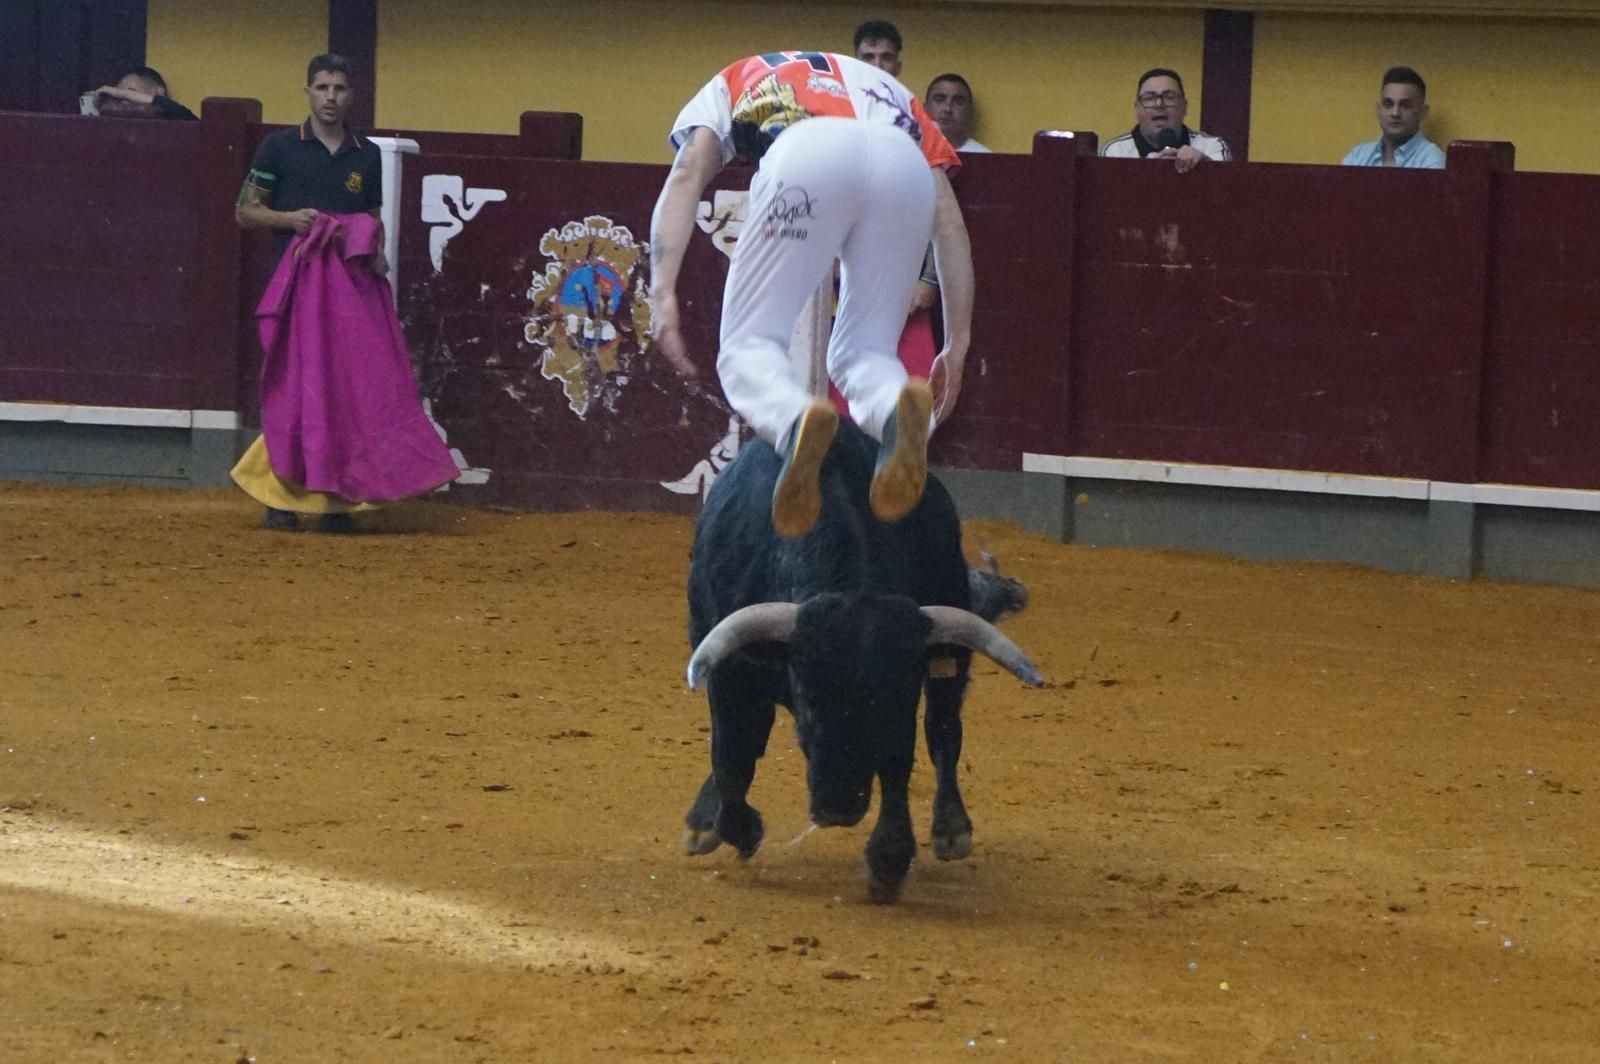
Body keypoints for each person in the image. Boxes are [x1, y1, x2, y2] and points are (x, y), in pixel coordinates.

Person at [650, 51, 975, 540]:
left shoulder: (737, 77)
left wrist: (661, 289)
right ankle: (892, 404)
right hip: (902, 164)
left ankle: (794, 418)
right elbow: (947, 222)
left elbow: (688, 170)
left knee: (749, 346)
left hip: (808, 153)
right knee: (865, 352)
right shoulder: (895, 94)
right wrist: (959, 341)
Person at [234, 54, 443, 532]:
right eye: (323, 87)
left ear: (352, 96)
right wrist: (290, 220)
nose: (331, 97)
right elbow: (245, 212)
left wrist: (379, 253)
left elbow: (371, 219)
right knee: (294, 392)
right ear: (306, 92)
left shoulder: (365, 155)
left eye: (340, 88)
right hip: (293, 290)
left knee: (344, 394)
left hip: (347, 295)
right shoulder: (278, 149)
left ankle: (338, 500)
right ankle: (281, 499)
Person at [1100, 68, 1230, 173]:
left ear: (1184, 107)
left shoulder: (1211, 146)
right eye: (1149, 98)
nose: (1159, 104)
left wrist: (1204, 165)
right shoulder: (1116, 151)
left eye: (1170, 97)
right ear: (1137, 109)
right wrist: (1147, 168)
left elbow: (1226, 195)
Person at [1342, 67, 1446, 169]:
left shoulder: (1433, 161)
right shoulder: (1356, 157)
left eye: (1405, 105)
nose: (1395, 113)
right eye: (1388, 104)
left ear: (1423, 112)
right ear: (1378, 110)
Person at [88, 67, 196, 121]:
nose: (124, 100)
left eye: (131, 92)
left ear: (158, 92)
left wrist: (124, 94)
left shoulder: (176, 120)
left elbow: (182, 113)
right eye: (119, 96)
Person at [925, 74, 990, 153]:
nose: (947, 109)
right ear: (925, 109)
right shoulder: (910, 151)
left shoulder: (985, 158)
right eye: (939, 100)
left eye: (958, 102)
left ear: (970, 112)